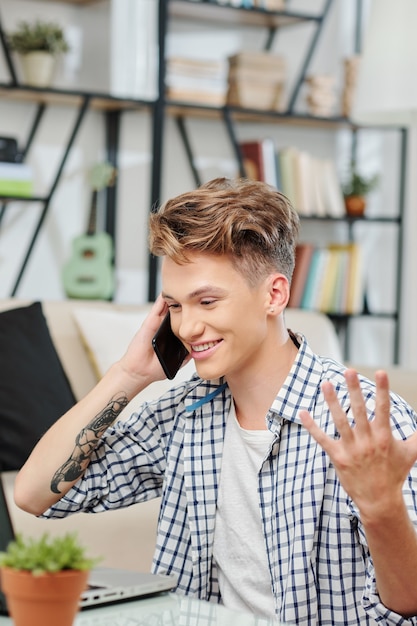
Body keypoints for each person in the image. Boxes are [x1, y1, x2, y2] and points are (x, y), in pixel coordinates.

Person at [14, 177, 417, 625]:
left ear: (274, 294)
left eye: (207, 301)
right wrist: (128, 374)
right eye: (177, 306)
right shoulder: (183, 414)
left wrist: (383, 509)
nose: (187, 328)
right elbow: (34, 495)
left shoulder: (366, 425)